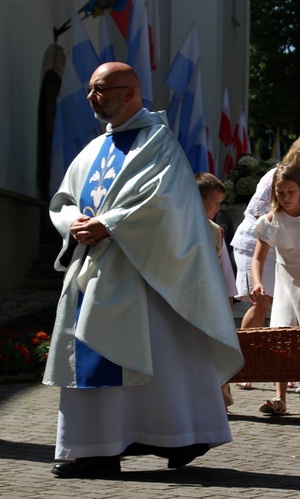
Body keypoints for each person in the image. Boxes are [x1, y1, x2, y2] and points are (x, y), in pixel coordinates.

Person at [45, 62, 243, 478]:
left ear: (131, 92)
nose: (91, 97)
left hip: (146, 274)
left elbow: (165, 204)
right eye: (91, 89)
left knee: (158, 358)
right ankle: (97, 447)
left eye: (101, 89)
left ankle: (168, 438)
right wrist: (74, 224)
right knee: (101, 353)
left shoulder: (159, 144)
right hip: (94, 271)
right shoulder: (93, 149)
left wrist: (110, 224)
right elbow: (63, 200)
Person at [251, 164, 300, 415]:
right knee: (280, 335)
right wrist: (258, 282)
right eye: (280, 192)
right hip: (284, 280)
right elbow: (258, 258)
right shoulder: (270, 220)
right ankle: (279, 398)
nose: (286, 198)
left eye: (290, 192)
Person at [231, 136, 300, 329]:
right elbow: (260, 220)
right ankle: (248, 353)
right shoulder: (276, 185)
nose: (285, 197)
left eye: (290, 192)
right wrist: (275, 224)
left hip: (294, 261)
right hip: (260, 245)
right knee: (263, 303)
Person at [195, 172, 239, 412]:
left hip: (212, 301)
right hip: (187, 299)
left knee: (214, 350)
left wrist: (228, 298)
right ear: (198, 199)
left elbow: (225, 271)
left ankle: (219, 399)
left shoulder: (216, 231)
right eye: (215, 202)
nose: (218, 208)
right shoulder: (177, 226)